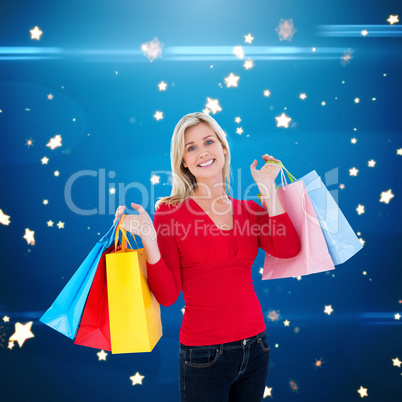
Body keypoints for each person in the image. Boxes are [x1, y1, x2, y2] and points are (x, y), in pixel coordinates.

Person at [113, 112, 301, 401]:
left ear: (224, 149)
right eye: (191, 147)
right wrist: (148, 238)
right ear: (183, 162)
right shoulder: (169, 213)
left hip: (257, 347)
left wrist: (268, 189)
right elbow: (166, 295)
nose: (202, 152)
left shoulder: (249, 209)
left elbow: (289, 249)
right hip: (203, 356)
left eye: (209, 141)